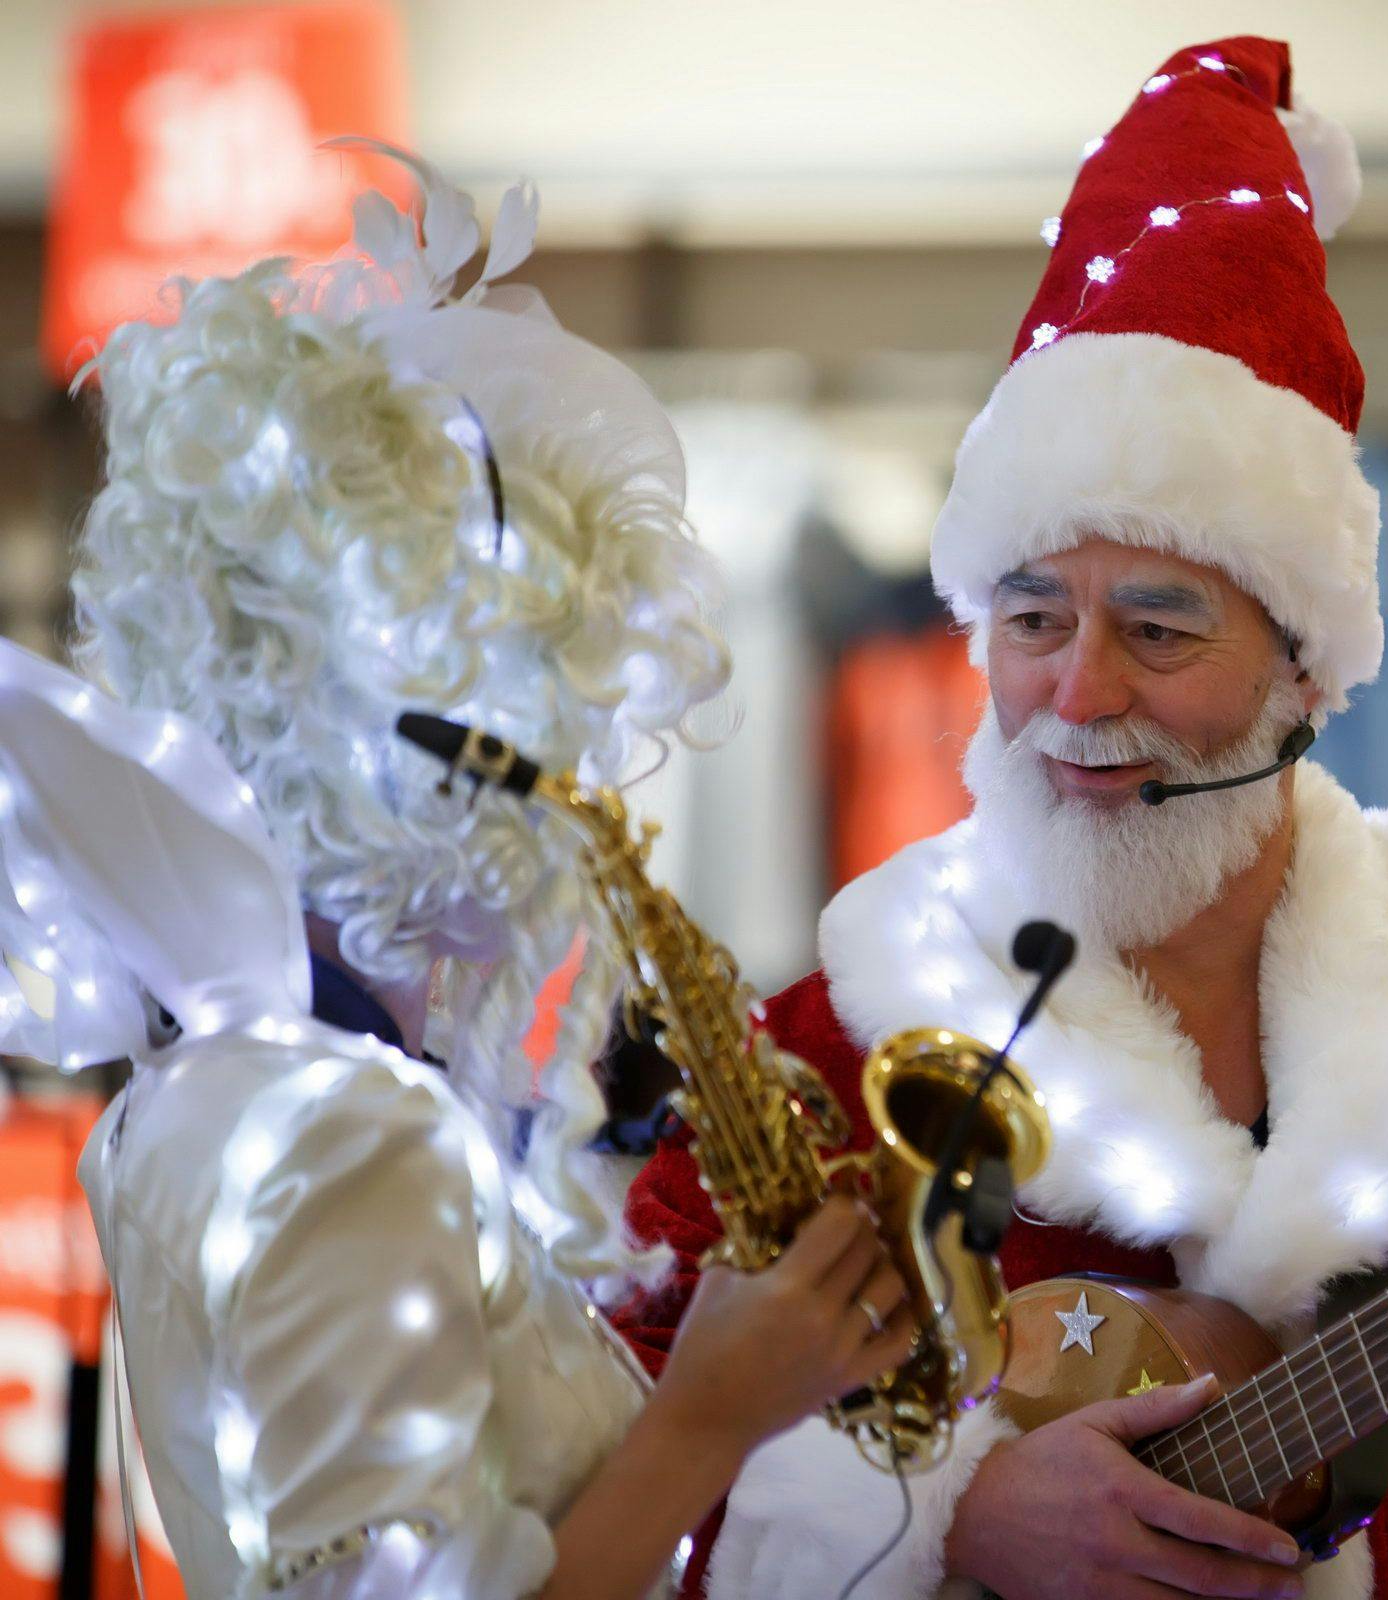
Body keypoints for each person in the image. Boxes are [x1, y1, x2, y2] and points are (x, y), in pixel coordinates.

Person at [614, 38, 1388, 1600]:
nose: (1077, 697)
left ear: (1308, 670)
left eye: (1158, 628)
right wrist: (949, 1521)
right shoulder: (823, 1065)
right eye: (1030, 619)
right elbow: (621, 1498)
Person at [39, 148, 917, 1599]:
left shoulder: (222, 1079)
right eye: (550, 730)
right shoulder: (343, 1131)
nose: (577, 796)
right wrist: (712, 1408)